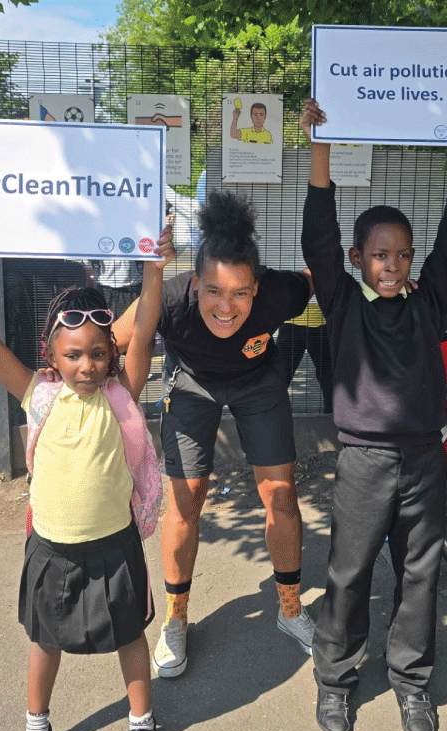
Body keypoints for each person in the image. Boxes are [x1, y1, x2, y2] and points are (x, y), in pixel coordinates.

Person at [300, 98, 447, 731]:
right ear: (358, 258)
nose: (393, 265)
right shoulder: (341, 302)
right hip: (362, 464)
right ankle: (336, 683)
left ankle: (413, 683)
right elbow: (315, 234)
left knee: (420, 575)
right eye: (380, 255)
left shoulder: (429, 302)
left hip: (422, 462)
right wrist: (320, 145)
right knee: (348, 574)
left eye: (403, 254)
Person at [0, 221, 176, 731]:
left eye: (98, 353)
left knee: (131, 637)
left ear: (111, 355)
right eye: (74, 354)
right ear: (52, 351)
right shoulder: (37, 395)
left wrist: (153, 271)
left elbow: (144, 330)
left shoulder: (122, 396)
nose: (87, 365)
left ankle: (141, 725)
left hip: (114, 547)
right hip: (50, 548)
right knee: (43, 641)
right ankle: (36, 728)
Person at [112, 189, 316, 678]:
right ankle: (175, 621)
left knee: (282, 496)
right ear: (196, 283)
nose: (227, 307)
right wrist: (53, 367)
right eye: (214, 291)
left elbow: (324, 280)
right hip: (192, 386)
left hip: (258, 384)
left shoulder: (280, 292)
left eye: (240, 292)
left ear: (256, 286)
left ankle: (290, 609)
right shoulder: (172, 297)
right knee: (186, 501)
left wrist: (389, 289)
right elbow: (112, 338)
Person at [276, 301, 333, 413]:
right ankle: (271, 417)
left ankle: (332, 417)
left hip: (321, 324)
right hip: (290, 323)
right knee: (280, 375)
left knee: (328, 376)